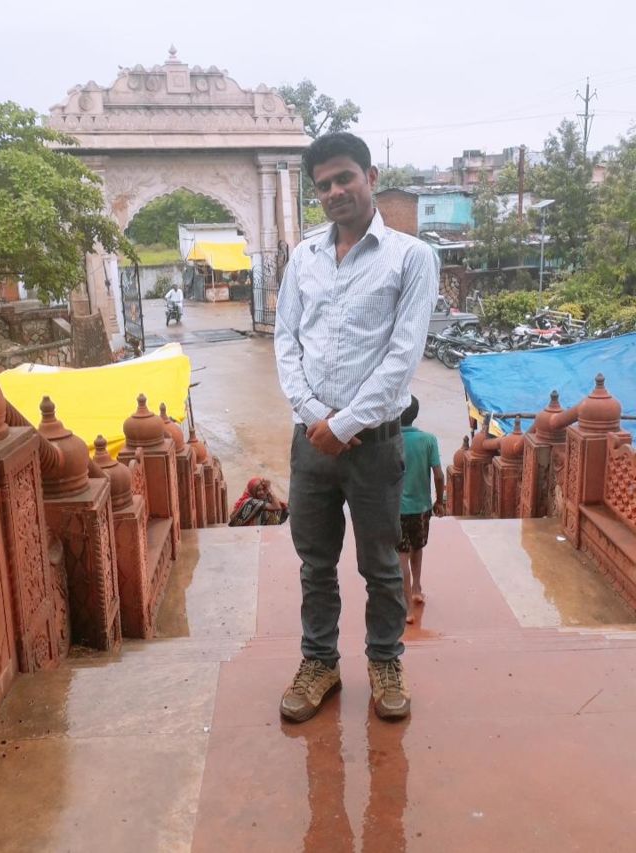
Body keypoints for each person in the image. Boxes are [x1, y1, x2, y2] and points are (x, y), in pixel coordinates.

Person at [274, 132, 439, 723]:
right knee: (315, 564)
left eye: (344, 177)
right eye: (323, 185)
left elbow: (403, 356)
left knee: (381, 565)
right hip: (310, 443)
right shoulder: (304, 257)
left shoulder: (411, 258)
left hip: (375, 444)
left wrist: (345, 423)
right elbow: (285, 341)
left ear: (370, 177)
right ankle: (320, 662)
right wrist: (315, 417)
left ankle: (386, 661)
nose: (334, 191)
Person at [396, 395, 445, 624]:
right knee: (418, 546)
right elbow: (439, 475)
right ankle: (417, 588)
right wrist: (439, 501)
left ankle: (406, 608)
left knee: (401, 555)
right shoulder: (428, 439)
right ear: (415, 414)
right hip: (422, 507)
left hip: (397, 509)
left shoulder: (391, 441)